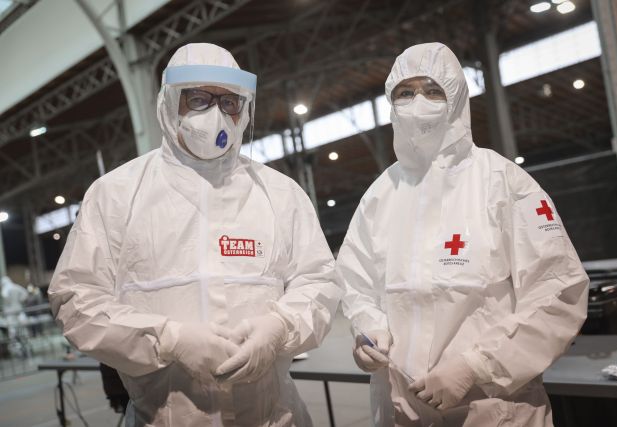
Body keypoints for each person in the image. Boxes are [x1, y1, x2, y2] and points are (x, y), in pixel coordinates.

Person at [49, 43, 341, 426]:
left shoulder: (280, 194)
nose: (216, 115)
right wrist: (167, 340)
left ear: (245, 109)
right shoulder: (116, 194)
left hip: (274, 417)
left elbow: (318, 280)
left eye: (229, 102)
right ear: (170, 103)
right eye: (199, 99)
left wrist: (279, 327)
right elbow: (76, 299)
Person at [337, 42, 589, 426]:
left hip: (493, 407)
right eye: (405, 92)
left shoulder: (502, 181)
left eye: (433, 90)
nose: (418, 101)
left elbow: (559, 291)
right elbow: (355, 284)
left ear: (456, 98)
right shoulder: (381, 194)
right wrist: (368, 333)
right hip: (401, 409)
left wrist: (477, 366)